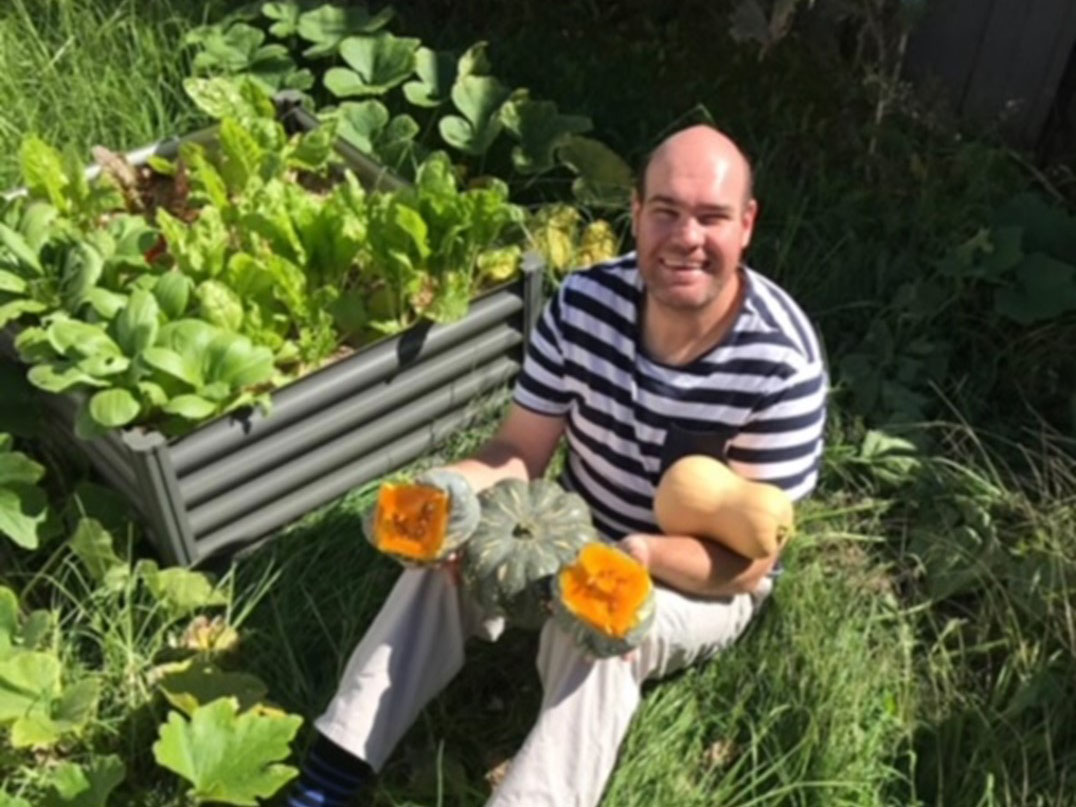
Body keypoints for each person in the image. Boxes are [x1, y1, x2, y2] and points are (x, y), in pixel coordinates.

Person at [285, 124, 827, 807]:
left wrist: (638, 554)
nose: (687, 237)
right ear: (635, 212)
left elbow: (747, 564)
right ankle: (328, 782)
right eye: (666, 211)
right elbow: (518, 451)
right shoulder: (585, 301)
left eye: (712, 217)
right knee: (443, 568)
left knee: (603, 633)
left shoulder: (783, 361)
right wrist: (451, 495)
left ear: (745, 225)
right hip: (570, 530)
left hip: (696, 579)